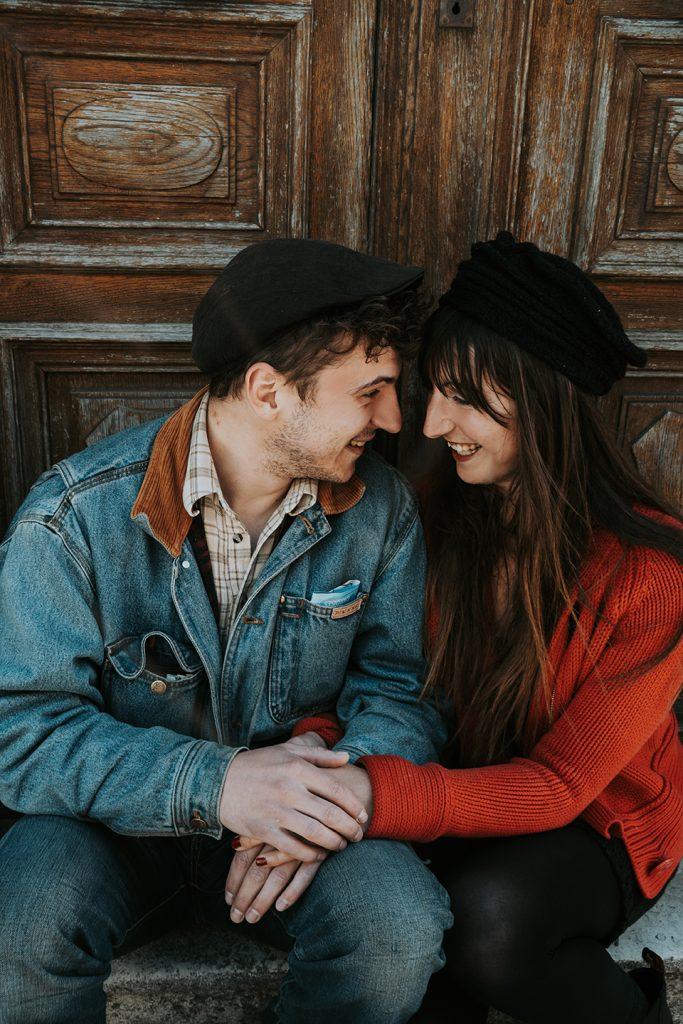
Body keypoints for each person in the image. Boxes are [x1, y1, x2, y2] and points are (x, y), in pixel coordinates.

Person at [230, 233, 683, 1024]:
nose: (434, 423)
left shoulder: (651, 577)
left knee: (488, 922)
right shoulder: (421, 520)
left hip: (591, 819)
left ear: (542, 400)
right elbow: (370, 674)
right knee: (392, 931)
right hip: (439, 783)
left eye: (467, 397)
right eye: (433, 389)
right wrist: (310, 780)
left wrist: (365, 798)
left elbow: (558, 786)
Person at [0, 238, 454, 1024]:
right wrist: (218, 787)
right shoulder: (73, 518)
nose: (392, 418)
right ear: (268, 390)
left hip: (303, 820)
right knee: (20, 927)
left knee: (394, 930)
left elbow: (400, 689)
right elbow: (22, 732)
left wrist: (332, 800)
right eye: (371, 390)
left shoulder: (379, 510)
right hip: (110, 830)